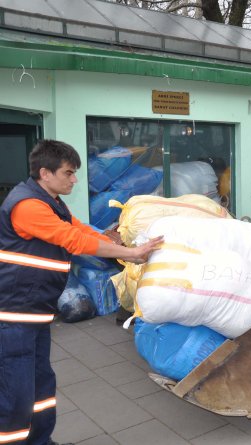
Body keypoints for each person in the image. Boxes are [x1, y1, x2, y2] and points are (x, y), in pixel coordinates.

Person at [0, 140, 163, 445]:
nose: (74, 179)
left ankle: (40, 440)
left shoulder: (52, 202)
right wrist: (130, 254)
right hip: (13, 314)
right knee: (16, 390)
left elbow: (82, 229)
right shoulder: (28, 206)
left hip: (34, 310)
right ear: (45, 173)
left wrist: (124, 245)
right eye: (68, 173)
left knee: (41, 383)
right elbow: (73, 240)